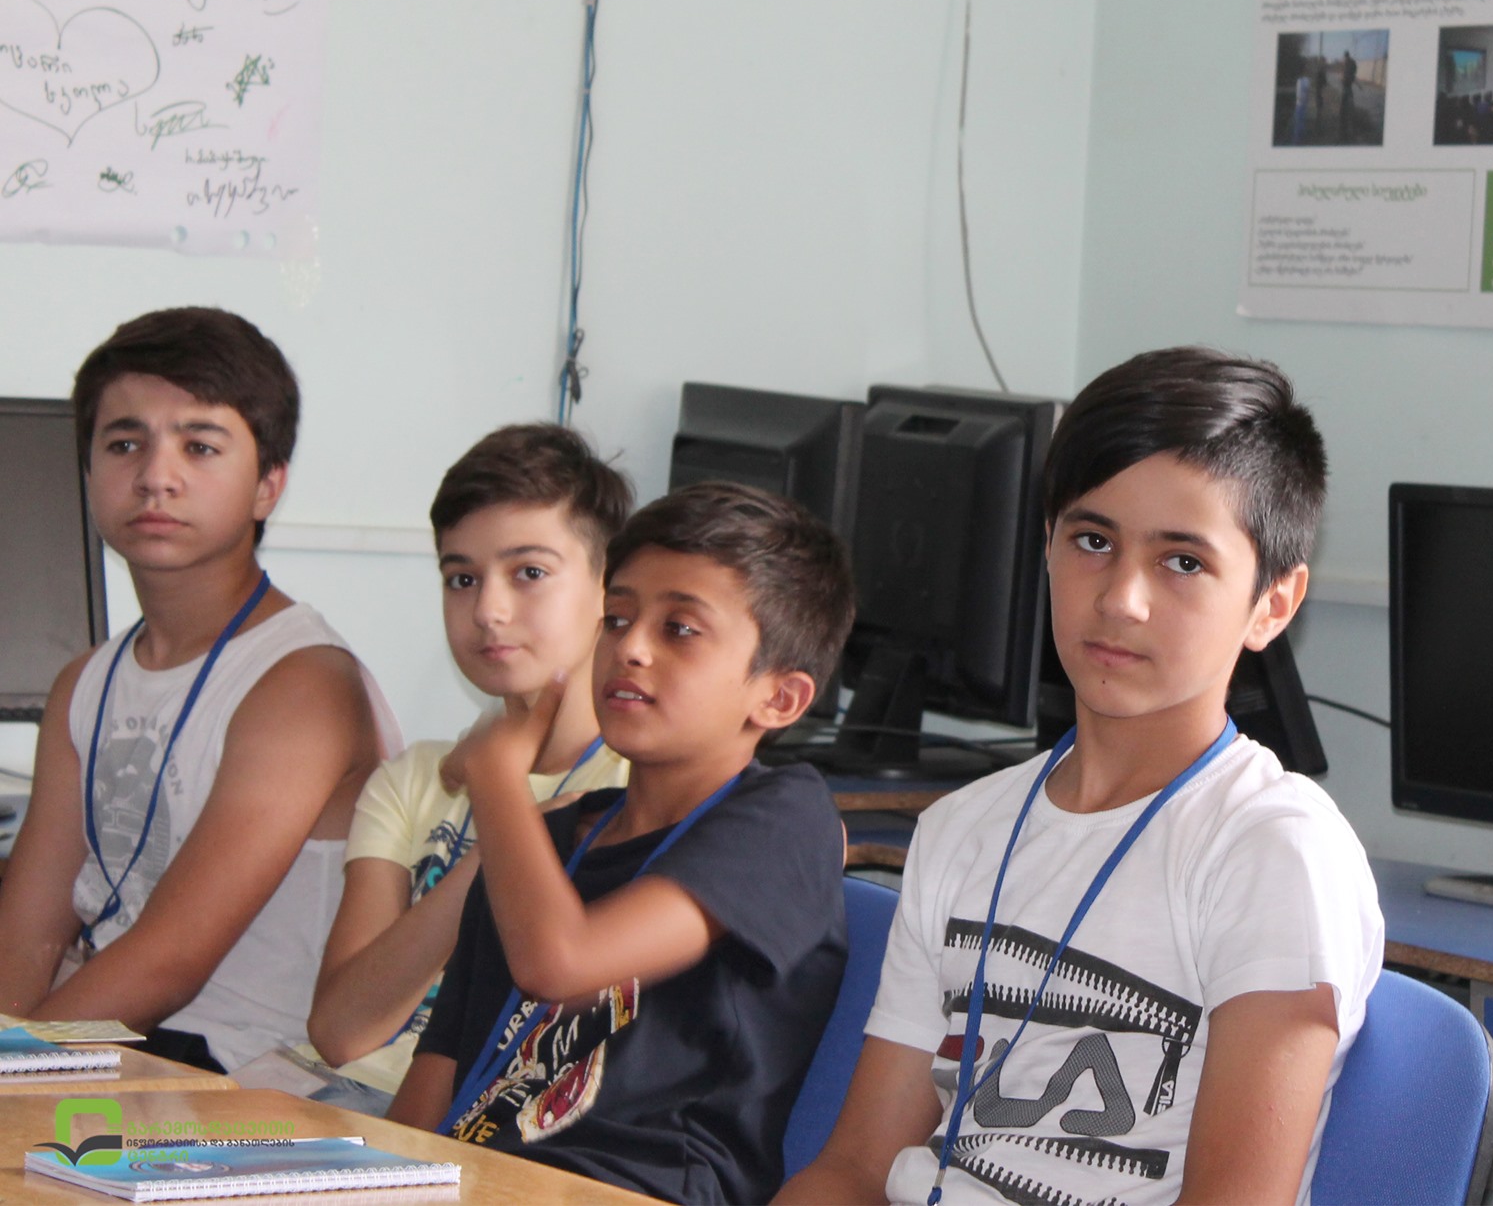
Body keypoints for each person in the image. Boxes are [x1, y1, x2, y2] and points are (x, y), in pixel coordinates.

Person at [778, 347, 1382, 1206]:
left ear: (1272, 604)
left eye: (1183, 561)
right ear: (1049, 550)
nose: (1121, 598)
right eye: (1093, 541)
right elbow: (854, 1168)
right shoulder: (961, 830)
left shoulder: (1273, 851)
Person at [387, 481, 855, 1205]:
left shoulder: (785, 821)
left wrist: (497, 775)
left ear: (779, 697)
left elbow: (561, 963)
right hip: (474, 1181)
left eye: (680, 629)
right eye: (617, 618)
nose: (631, 647)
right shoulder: (545, 842)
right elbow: (436, 1078)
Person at [0, 307, 394, 1073]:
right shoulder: (84, 683)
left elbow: (170, 961)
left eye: (200, 446)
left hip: (250, 1082)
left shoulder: (302, 680)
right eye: (124, 444)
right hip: (107, 1057)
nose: (156, 475)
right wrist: (12, 1053)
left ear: (267, 485)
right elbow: (27, 939)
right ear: (88, 473)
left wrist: (15, 1066)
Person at [296, 424, 633, 1112]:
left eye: (529, 572)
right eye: (462, 578)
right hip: (341, 1093)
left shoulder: (638, 792)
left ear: (608, 587)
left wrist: (502, 803)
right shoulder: (416, 779)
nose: (488, 610)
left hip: (487, 1122)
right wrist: (501, 829)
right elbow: (339, 1029)